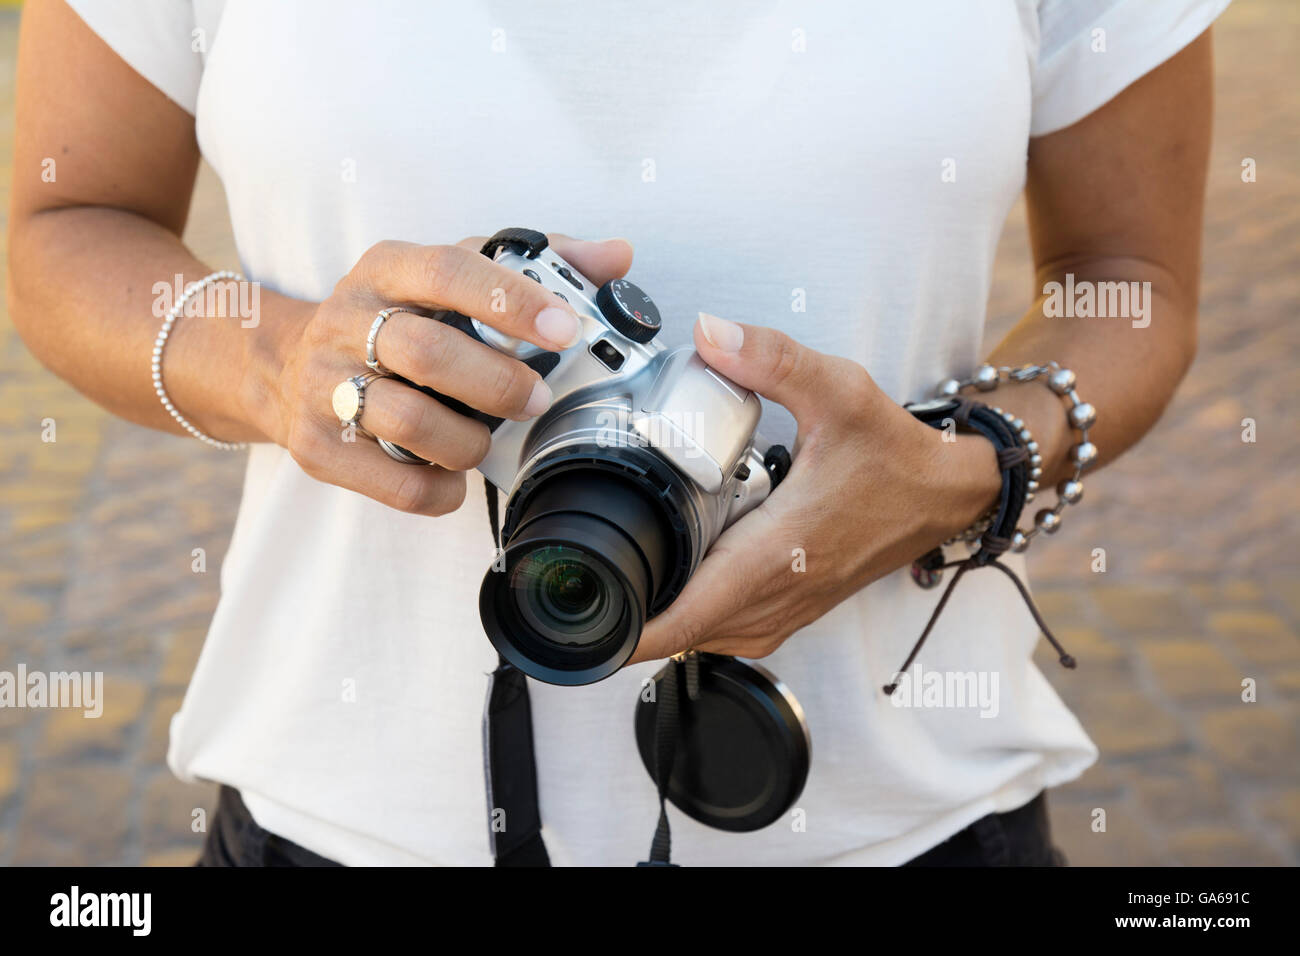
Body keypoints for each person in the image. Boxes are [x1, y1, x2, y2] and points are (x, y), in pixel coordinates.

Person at [8, 0, 1227, 866]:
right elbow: (65, 221)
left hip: (908, 823)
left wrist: (961, 472)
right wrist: (278, 360)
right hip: (339, 824)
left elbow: (1127, 279)